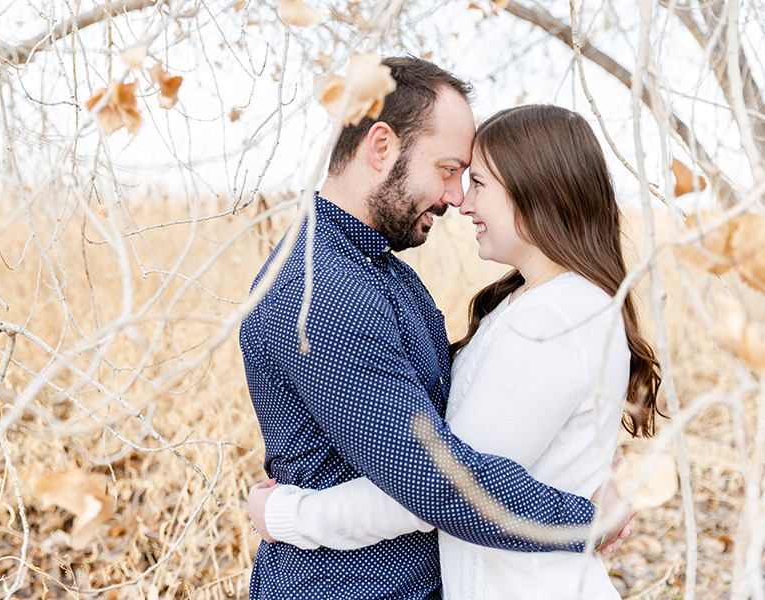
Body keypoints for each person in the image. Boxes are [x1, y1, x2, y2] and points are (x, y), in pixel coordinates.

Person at [240, 57, 633, 600]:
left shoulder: (383, 273)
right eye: (449, 170)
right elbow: (433, 482)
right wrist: (585, 515)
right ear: (381, 148)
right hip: (344, 586)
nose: (455, 198)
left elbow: (468, 420)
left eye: (470, 179)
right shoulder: (321, 289)